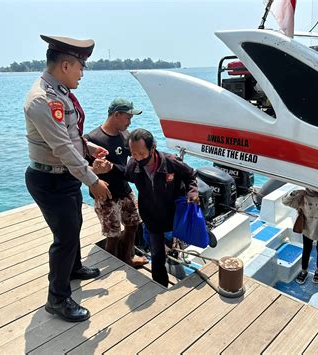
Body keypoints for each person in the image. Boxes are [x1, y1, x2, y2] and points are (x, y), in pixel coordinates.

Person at [24, 35, 111, 322]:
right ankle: (57, 299)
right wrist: (93, 181)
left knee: (74, 227)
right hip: (50, 180)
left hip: (65, 177)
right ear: (65, 65)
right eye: (80, 67)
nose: (82, 73)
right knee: (65, 238)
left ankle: (73, 269)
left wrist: (88, 146)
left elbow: (69, 135)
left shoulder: (59, 92)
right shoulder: (43, 100)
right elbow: (61, 148)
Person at [125, 128, 199, 287]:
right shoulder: (133, 165)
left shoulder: (171, 162)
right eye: (133, 154)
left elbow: (190, 175)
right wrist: (105, 170)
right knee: (157, 255)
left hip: (174, 215)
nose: (137, 158)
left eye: (142, 154)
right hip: (152, 219)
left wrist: (193, 192)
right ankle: (160, 286)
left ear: (152, 148)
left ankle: (178, 244)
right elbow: (123, 175)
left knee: (177, 238)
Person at [84, 98, 148, 267]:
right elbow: (80, 170)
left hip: (125, 190)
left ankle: (127, 259)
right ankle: (111, 267)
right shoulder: (91, 139)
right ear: (116, 114)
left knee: (133, 224)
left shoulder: (126, 137)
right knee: (112, 235)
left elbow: (134, 163)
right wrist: (93, 178)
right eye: (127, 117)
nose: (130, 122)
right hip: (105, 195)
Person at [282, 188, 318, 284]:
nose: (312, 188)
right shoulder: (302, 195)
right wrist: (294, 193)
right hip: (308, 228)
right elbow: (285, 202)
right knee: (306, 250)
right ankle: (304, 271)